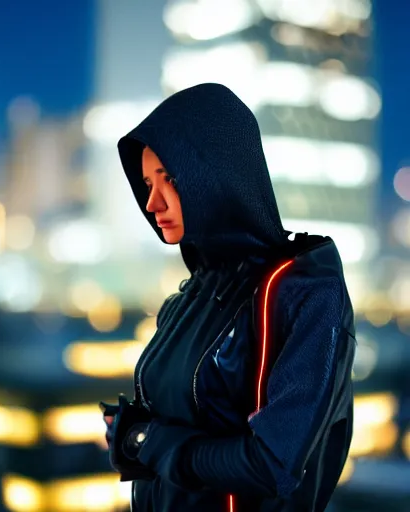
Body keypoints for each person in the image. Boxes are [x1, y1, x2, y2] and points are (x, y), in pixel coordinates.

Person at [100, 83, 356, 512]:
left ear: (215, 172)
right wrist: (133, 436)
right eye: (146, 182)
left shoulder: (305, 291)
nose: (152, 201)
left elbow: (272, 464)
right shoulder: (189, 297)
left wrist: (149, 440)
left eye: (169, 178)